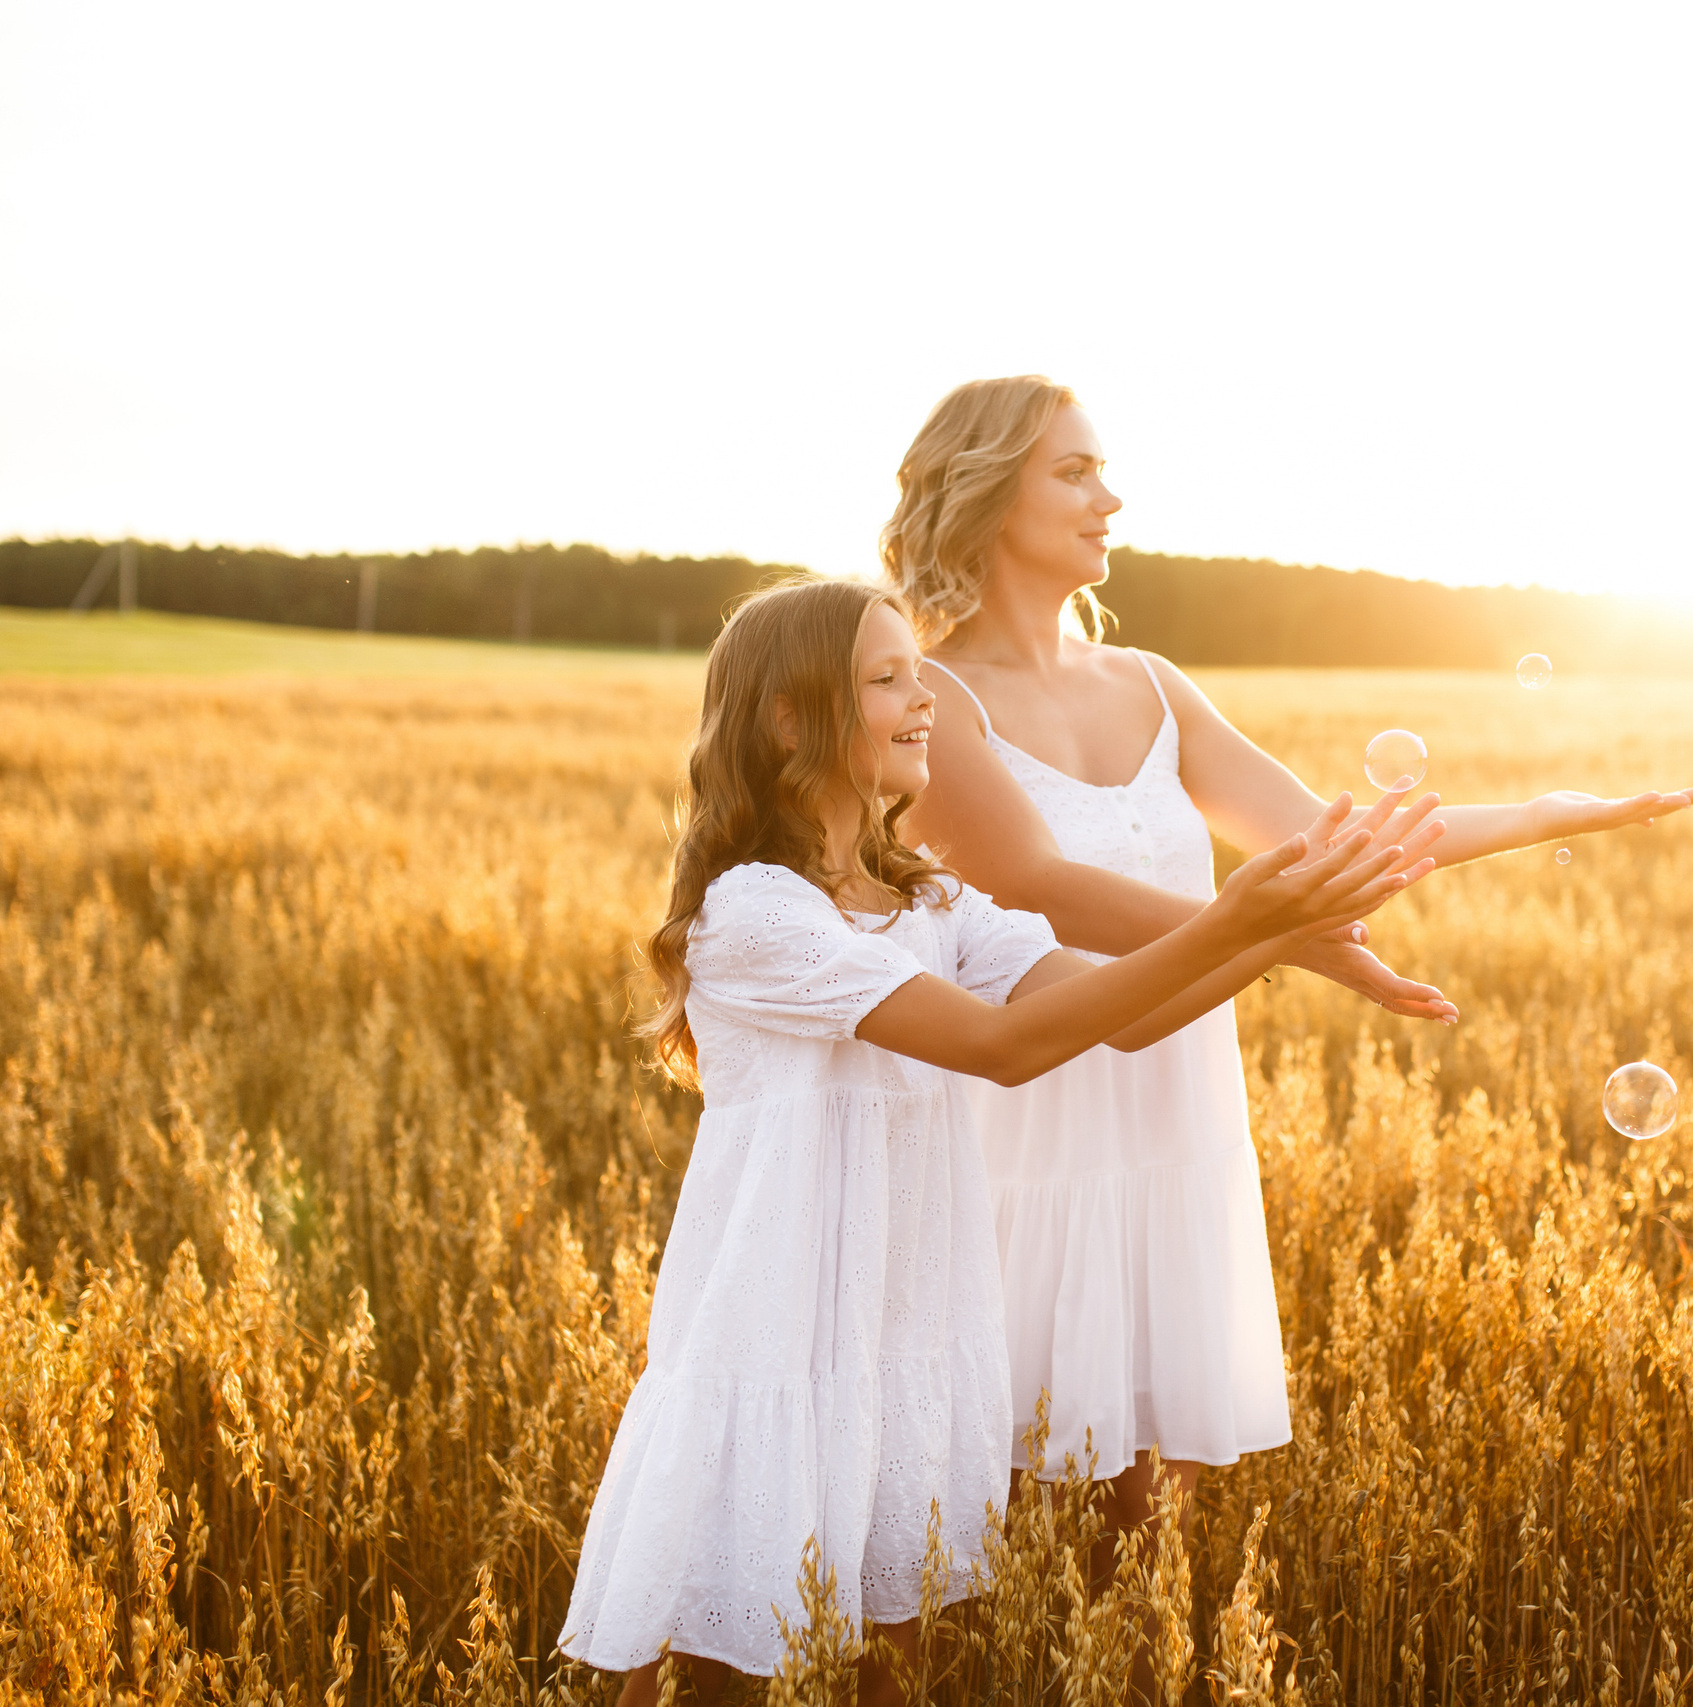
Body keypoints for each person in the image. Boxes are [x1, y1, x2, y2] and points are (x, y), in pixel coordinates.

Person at [556, 575, 1438, 1705]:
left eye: (919, 673)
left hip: (909, 1329)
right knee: (710, 1680)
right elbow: (1004, 1047)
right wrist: (1241, 918)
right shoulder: (756, 914)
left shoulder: (933, 906)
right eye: (886, 680)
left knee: (896, 1659)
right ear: (789, 720)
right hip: (775, 1345)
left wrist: (1274, 941)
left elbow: (1123, 1016)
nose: (924, 700)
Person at [885, 375, 1693, 1555]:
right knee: (1004, 1508)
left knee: (1144, 1526)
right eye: (1073, 472)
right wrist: (1275, 934)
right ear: (983, 490)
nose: (1110, 497)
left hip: (1170, 1120)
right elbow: (1041, 889)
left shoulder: (1152, 684)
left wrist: (1539, 812)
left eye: (1103, 470)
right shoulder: (936, 698)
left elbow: (1323, 842)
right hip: (1034, 1125)